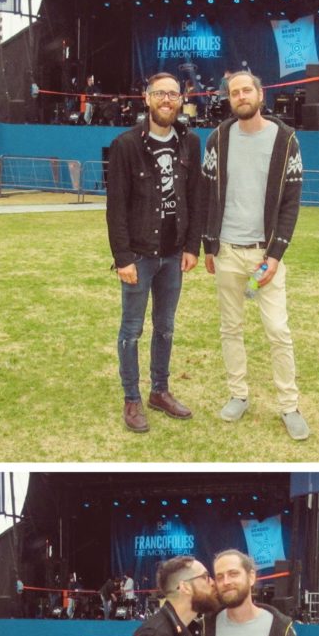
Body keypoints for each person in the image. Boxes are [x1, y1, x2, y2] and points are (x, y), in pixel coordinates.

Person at [200, 71, 309, 441]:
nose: (241, 96)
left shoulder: (285, 139)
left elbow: (291, 202)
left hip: (265, 253)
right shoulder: (218, 138)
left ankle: (289, 406)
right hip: (227, 250)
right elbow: (206, 194)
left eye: (247, 90)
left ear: (260, 95)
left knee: (278, 330)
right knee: (230, 328)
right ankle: (238, 395)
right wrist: (208, 245)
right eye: (235, 92)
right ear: (229, 99)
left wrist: (276, 254)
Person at [106, 72, 203, 433]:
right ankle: (132, 398)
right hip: (139, 255)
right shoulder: (126, 145)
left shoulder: (189, 143)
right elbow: (116, 208)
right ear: (146, 99)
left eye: (173, 94)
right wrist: (123, 258)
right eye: (160, 93)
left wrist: (192, 246)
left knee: (165, 328)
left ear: (181, 100)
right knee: (131, 329)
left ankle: (159, 391)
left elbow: (196, 197)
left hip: (173, 255)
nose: (167, 100)